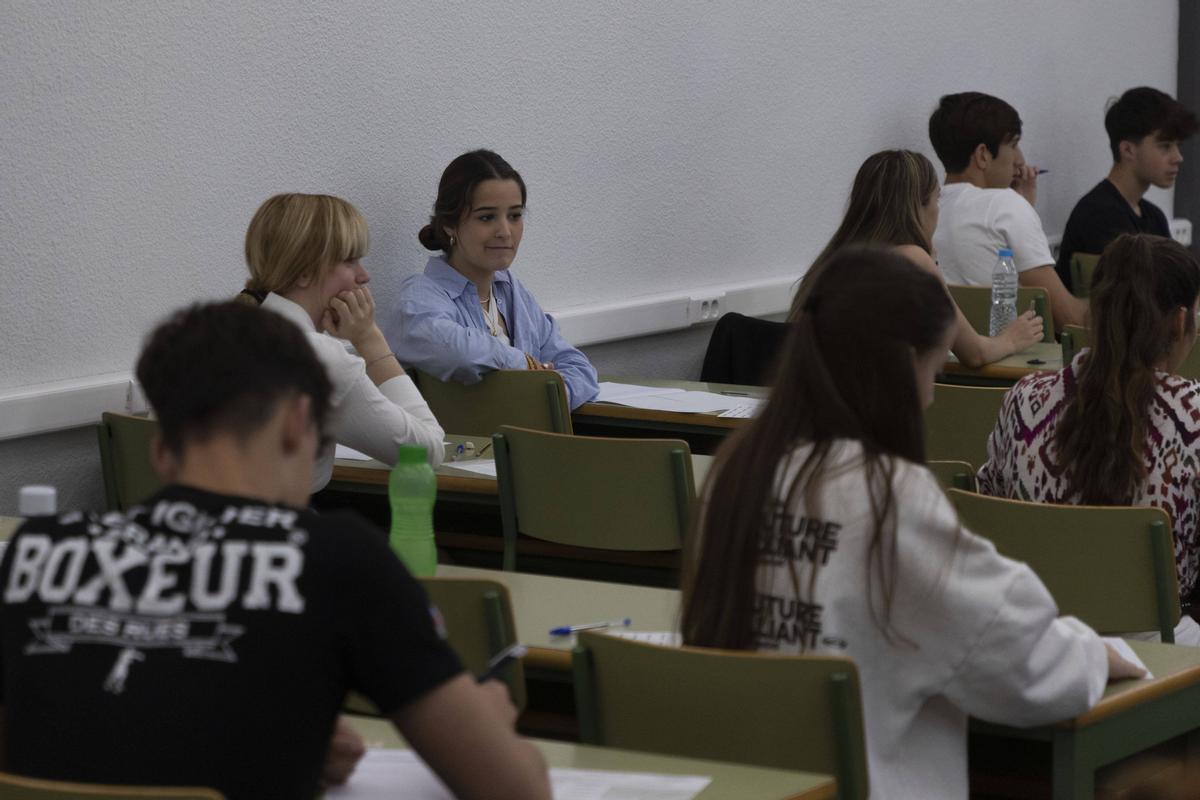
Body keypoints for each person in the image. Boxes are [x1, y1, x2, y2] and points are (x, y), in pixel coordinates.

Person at [0, 302, 550, 800]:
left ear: (162, 451)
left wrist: (278, 731)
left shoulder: (37, 549)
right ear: (296, 427)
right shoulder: (338, 559)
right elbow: (516, 789)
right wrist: (489, 723)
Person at [681, 247, 1141, 799]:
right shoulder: (888, 498)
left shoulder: (736, 473)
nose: (928, 396)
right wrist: (1095, 653)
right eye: (933, 369)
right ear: (901, 367)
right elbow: (1015, 657)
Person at [979, 234, 1200, 645]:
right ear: (1180, 322)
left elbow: (989, 509)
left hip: (1036, 638)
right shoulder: (1194, 415)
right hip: (1164, 648)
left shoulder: (1022, 401)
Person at [238, 193, 444, 491]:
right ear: (305, 272)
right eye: (351, 261)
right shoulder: (319, 360)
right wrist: (369, 339)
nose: (364, 275)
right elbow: (427, 451)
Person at [789, 149, 1043, 367]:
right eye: (937, 198)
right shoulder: (911, 259)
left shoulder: (831, 259)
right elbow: (974, 353)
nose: (938, 209)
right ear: (918, 206)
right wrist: (1011, 339)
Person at [389, 150, 599, 409]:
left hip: (529, 441)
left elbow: (580, 369)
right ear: (449, 225)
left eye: (514, 216)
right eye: (486, 217)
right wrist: (529, 367)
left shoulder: (511, 290)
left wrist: (547, 399)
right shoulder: (419, 297)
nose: (504, 232)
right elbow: (460, 354)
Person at [929, 92, 1088, 330]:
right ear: (983, 155)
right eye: (1013, 145)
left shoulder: (927, 208)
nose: (1020, 160)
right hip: (1019, 362)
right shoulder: (1005, 205)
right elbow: (1068, 318)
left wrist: (1026, 206)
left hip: (949, 360)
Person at [1056, 87, 1198, 289]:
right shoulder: (1098, 215)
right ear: (1128, 150)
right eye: (1165, 146)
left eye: (1178, 146)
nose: (1178, 157)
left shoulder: (1154, 216)